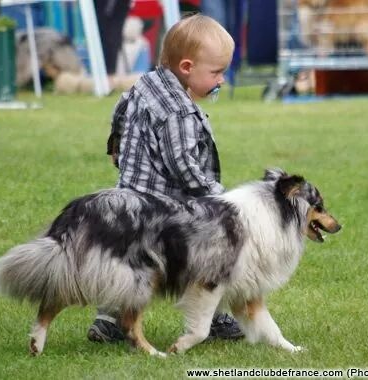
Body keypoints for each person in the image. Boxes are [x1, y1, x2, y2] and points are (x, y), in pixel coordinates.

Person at [88, 14, 244, 343]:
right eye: (216, 72)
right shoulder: (180, 113)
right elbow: (184, 165)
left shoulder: (144, 84)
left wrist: (115, 147)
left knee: (128, 263)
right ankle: (212, 318)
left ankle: (109, 320)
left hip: (129, 200)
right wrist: (220, 198)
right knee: (204, 255)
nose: (221, 81)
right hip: (166, 209)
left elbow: (120, 108)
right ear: (187, 67)